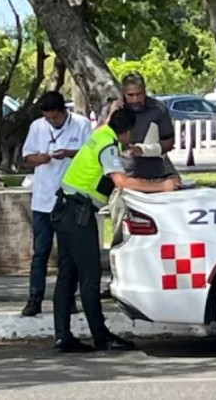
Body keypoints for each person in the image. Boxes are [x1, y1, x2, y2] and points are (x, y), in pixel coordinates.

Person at [51, 107, 180, 353]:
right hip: (79, 215)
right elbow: (121, 182)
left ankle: (62, 335)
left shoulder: (100, 134)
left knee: (67, 277)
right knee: (89, 278)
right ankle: (102, 338)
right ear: (128, 131)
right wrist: (162, 186)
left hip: (63, 211)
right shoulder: (108, 145)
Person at [20, 91, 92, 317]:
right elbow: (26, 156)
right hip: (43, 199)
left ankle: (67, 298)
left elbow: (90, 154)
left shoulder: (81, 124)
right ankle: (35, 298)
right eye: (48, 118)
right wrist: (39, 159)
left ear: (64, 111)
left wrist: (69, 153)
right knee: (40, 251)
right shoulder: (37, 126)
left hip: (69, 200)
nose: (52, 122)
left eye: (56, 118)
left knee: (68, 255)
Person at [109, 72, 180, 186]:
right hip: (121, 176)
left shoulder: (158, 109)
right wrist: (110, 115)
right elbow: (99, 136)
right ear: (123, 93)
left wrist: (144, 150)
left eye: (139, 94)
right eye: (130, 95)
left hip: (154, 174)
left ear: (145, 91)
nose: (135, 99)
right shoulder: (113, 109)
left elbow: (169, 143)